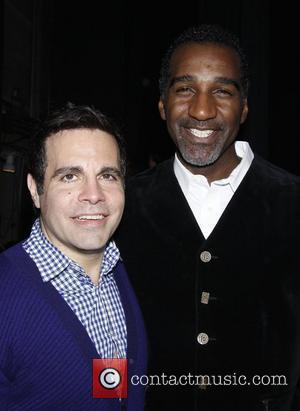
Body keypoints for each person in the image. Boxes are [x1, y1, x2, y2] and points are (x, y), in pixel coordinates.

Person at [115, 24, 300, 410]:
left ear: (245, 107)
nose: (201, 110)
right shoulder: (119, 205)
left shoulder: (292, 201)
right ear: (162, 104)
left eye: (222, 91)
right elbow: (100, 331)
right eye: (185, 89)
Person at [0, 103, 147, 410]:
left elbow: (109, 389)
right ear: (35, 190)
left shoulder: (125, 273)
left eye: (108, 175)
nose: (93, 194)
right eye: (69, 176)